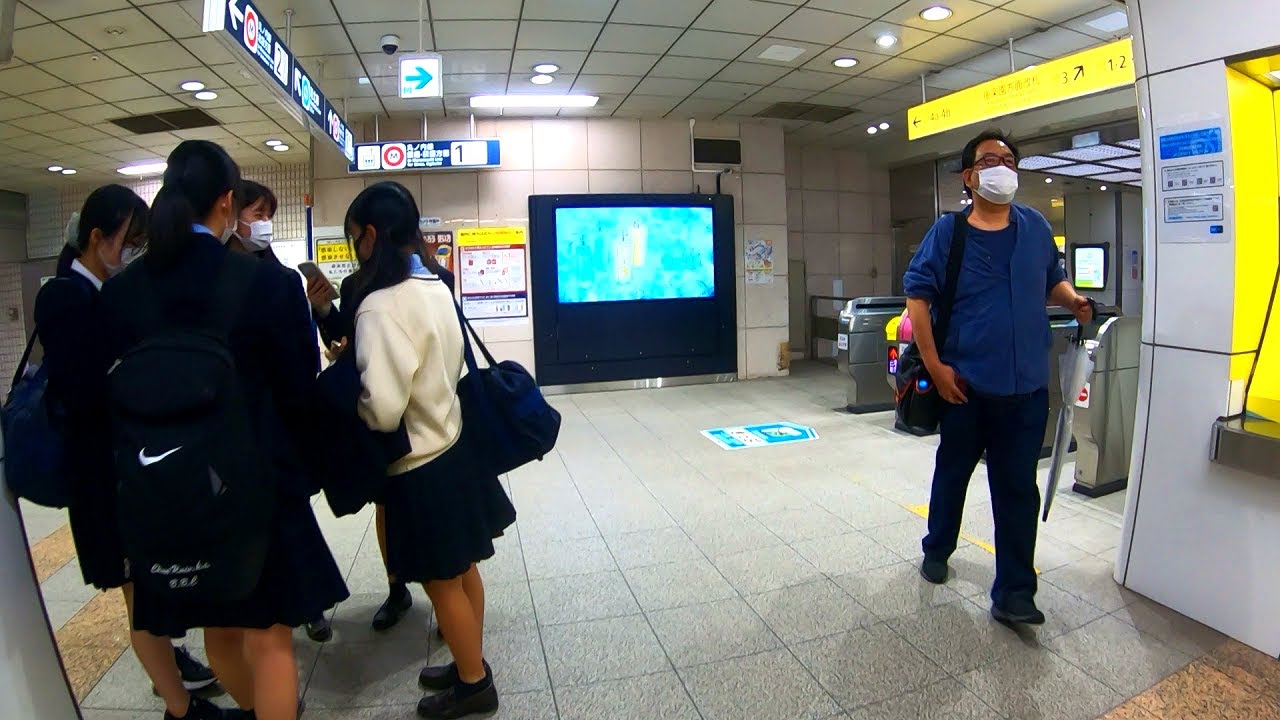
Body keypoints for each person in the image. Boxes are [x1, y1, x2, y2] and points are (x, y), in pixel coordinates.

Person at [100, 140, 349, 720]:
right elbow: (297, 391)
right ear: (227, 202)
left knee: (219, 632)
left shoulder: (121, 292)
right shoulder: (265, 284)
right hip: (253, 487)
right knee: (269, 639)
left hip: (163, 491)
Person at [33, 185, 222, 720]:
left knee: (143, 585)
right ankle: (181, 709)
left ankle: (176, 687)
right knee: (134, 593)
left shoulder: (99, 294)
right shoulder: (65, 297)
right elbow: (84, 390)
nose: (135, 252)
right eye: (129, 241)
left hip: (122, 466)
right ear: (98, 238)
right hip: (97, 473)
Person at [903, 129, 1092, 626]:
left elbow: (1052, 277)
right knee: (954, 474)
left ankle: (1014, 592)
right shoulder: (950, 232)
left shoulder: (1034, 226)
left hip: (1026, 389)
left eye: (1010, 159)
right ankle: (938, 546)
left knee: (1017, 490)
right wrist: (938, 368)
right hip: (964, 386)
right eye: (991, 160)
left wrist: (1071, 300)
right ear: (970, 176)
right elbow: (917, 300)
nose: (1003, 167)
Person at [344, 181, 514, 719]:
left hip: (419, 465)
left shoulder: (380, 306)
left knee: (443, 585)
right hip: (455, 445)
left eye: (355, 238)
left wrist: (356, 399)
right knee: (464, 572)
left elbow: (385, 409)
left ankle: (473, 684)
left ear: (371, 235)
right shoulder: (436, 285)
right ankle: (471, 660)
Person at [305, 237, 456, 636]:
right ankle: (397, 588)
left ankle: (449, 604)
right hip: (379, 412)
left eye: (357, 235)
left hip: (425, 417)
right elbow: (348, 338)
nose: (357, 246)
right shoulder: (358, 287)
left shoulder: (436, 280)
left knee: (438, 522)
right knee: (386, 504)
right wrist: (324, 310)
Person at [227, 179, 333, 644]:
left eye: (268, 214)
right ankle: (301, 601)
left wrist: (315, 313)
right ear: (230, 215)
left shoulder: (283, 279)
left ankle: (306, 604)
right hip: (235, 428)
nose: (263, 223)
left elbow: (302, 359)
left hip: (279, 422)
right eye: (255, 213)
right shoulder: (219, 280)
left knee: (289, 517)